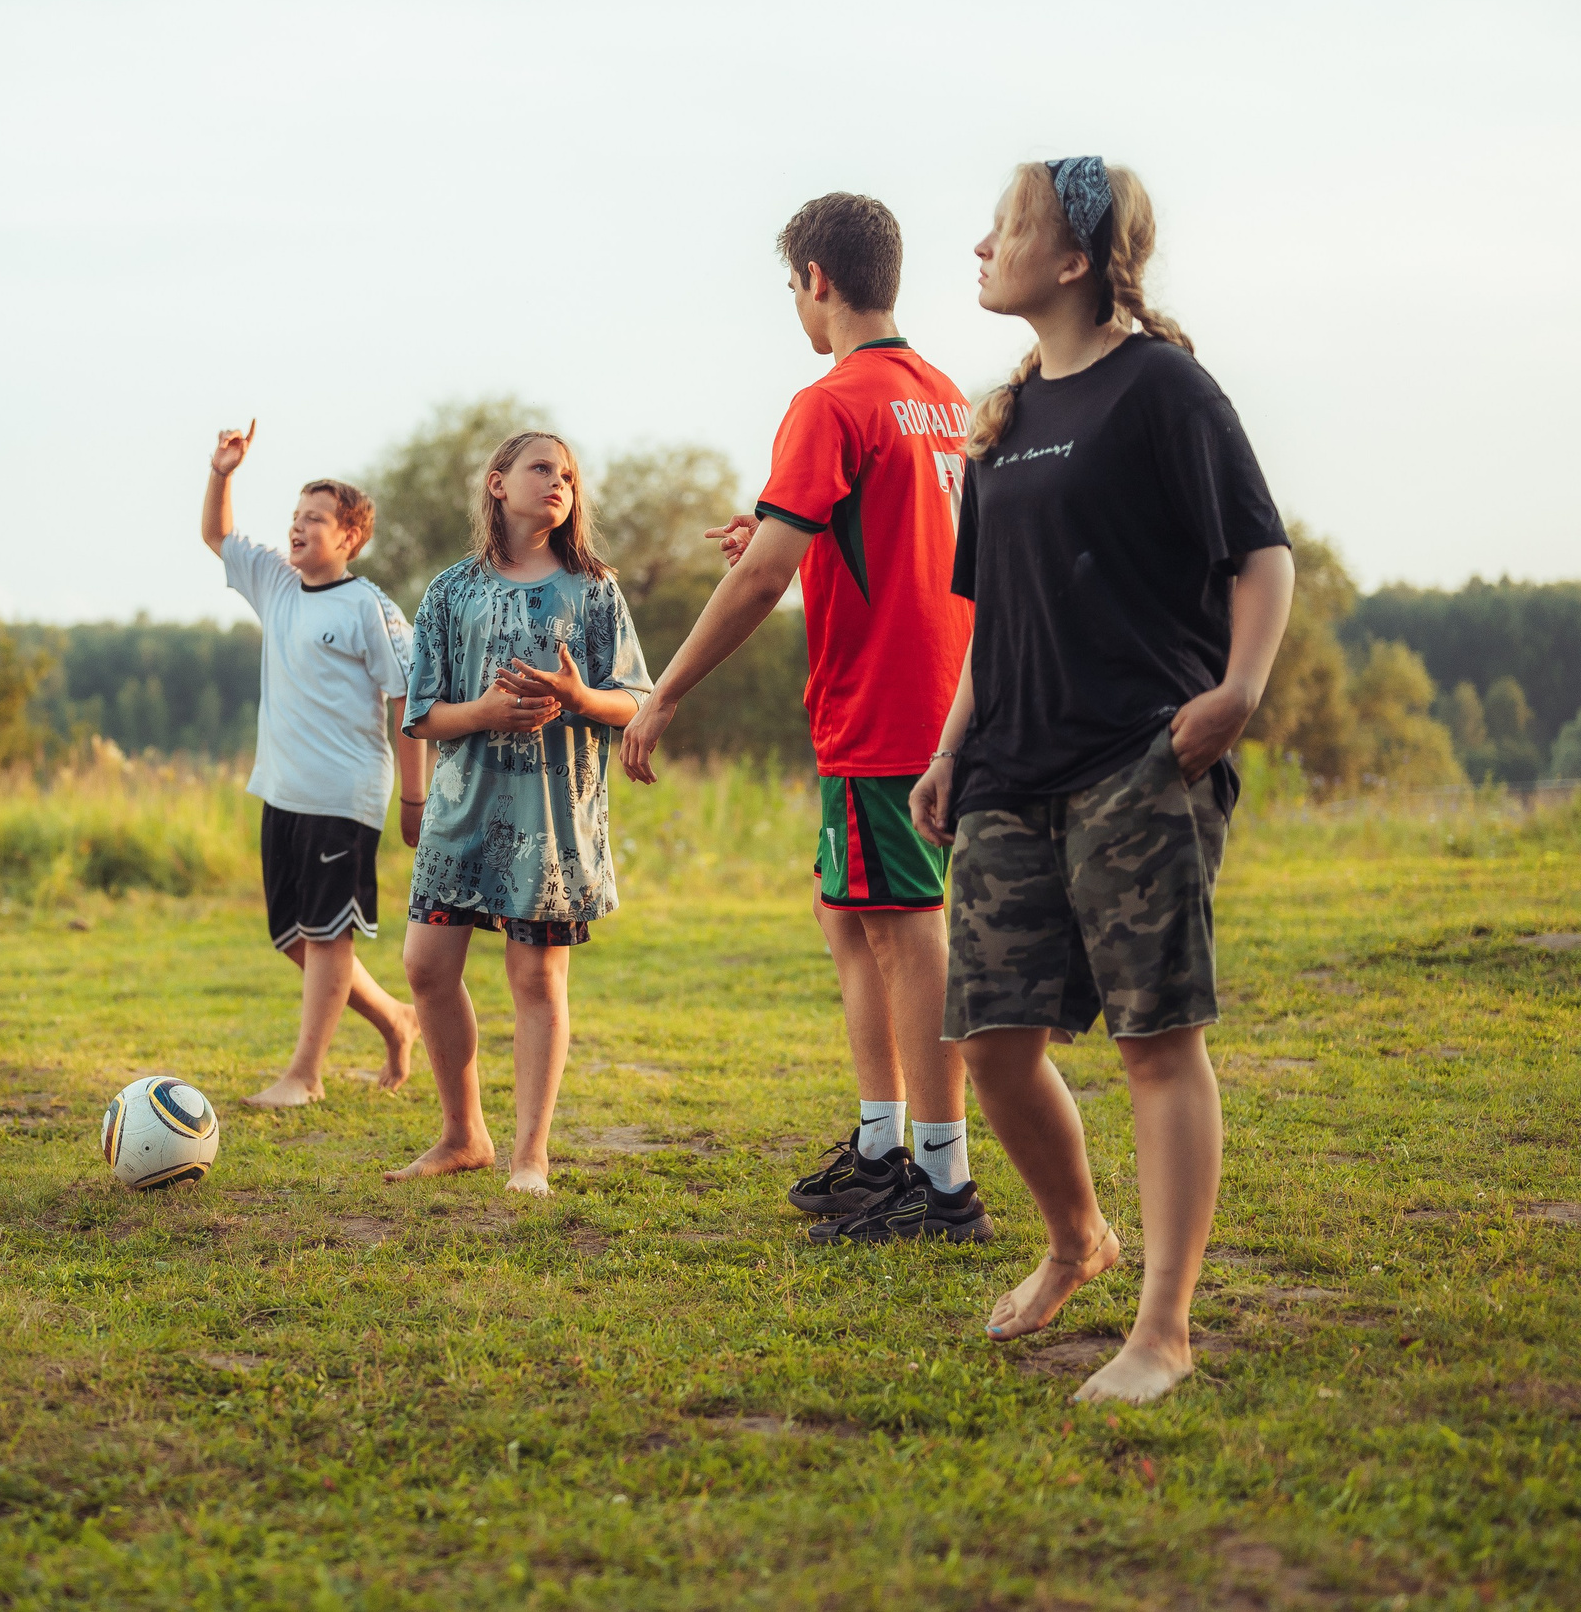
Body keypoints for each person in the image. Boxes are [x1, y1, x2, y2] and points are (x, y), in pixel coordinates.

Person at [909, 158, 1293, 1403]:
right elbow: (993, 612)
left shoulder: (1162, 389)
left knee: (1152, 1038)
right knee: (989, 1040)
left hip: (1139, 754)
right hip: (1008, 764)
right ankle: (1078, 1238)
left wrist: (1236, 691)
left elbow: (1259, 550)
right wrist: (951, 743)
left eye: (1006, 228)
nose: (978, 245)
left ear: (1072, 258)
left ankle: (1163, 1330)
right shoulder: (1005, 415)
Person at [621, 192, 991, 1243]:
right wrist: (794, 533)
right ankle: (882, 1144)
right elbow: (888, 534)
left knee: (908, 933)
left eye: (791, 285)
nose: (795, 301)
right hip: (927, 697)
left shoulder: (830, 397)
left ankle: (940, 1178)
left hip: (890, 707)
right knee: (850, 914)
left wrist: (666, 689)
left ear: (815, 280)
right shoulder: (941, 393)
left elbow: (760, 581)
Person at [384, 431, 650, 1196]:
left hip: (551, 824)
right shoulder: (450, 590)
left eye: (567, 474)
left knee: (537, 979)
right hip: (459, 816)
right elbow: (424, 714)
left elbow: (634, 699)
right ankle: (463, 1135)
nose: (558, 482)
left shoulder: (594, 588)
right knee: (425, 968)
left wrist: (576, 697)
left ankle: (530, 1155)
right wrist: (487, 712)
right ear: (497, 484)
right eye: (541, 468)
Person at [198, 421, 427, 1107]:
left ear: (350, 536)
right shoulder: (275, 582)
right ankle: (395, 1018)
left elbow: (410, 697)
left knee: (328, 937)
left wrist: (413, 800)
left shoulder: (371, 608)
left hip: (343, 793)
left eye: (316, 520)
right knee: (296, 939)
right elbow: (217, 536)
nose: (297, 529)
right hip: (283, 790)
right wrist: (222, 473)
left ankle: (305, 1075)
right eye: (295, 518)